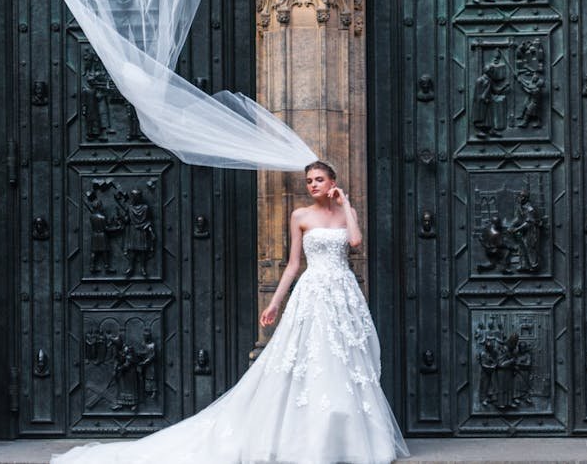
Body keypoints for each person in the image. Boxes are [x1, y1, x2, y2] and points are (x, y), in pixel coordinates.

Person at [52, 161, 409, 464]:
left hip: (343, 294)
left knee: (345, 360)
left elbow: (356, 242)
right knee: (310, 359)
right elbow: (293, 264)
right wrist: (274, 302)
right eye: (309, 181)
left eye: (319, 180)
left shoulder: (346, 213)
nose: (312, 185)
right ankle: (309, 440)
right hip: (313, 292)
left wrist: (345, 203)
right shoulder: (300, 215)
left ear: (332, 182)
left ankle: (347, 439)